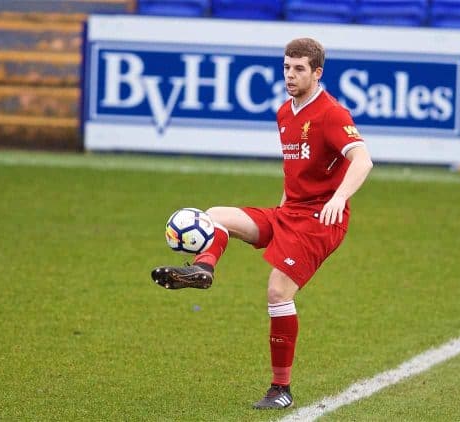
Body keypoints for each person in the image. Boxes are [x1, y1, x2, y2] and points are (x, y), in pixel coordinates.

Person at [151, 37, 373, 409]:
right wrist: (283, 205)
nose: (290, 75)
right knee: (217, 215)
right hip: (290, 211)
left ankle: (280, 389)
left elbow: (363, 159)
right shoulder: (285, 112)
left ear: (317, 72)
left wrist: (338, 198)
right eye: (287, 67)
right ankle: (203, 271)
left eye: (299, 69)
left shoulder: (331, 113)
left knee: (277, 293)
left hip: (321, 220)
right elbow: (296, 170)